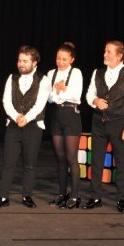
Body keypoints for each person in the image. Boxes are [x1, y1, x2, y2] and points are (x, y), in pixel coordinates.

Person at [83, 40, 124, 212]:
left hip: (119, 124)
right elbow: (89, 94)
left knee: (122, 163)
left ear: (119, 55)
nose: (105, 54)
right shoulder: (98, 72)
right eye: (105, 51)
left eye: (109, 52)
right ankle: (95, 197)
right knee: (96, 161)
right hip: (98, 123)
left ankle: (121, 199)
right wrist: (95, 101)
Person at [0, 45, 50, 209]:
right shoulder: (12, 78)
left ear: (34, 62)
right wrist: (16, 116)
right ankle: (3, 196)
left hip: (33, 126)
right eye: (19, 60)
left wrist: (27, 118)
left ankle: (27, 195)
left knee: (30, 164)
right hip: (14, 125)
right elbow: (6, 101)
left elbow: (40, 103)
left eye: (25, 61)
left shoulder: (43, 79)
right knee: (8, 163)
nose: (21, 64)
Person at [45, 42, 83, 209]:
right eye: (58, 58)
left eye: (64, 59)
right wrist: (57, 91)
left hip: (71, 115)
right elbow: (48, 98)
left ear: (72, 60)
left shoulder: (76, 73)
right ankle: (62, 194)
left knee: (71, 157)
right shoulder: (51, 73)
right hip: (56, 115)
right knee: (60, 157)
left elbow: (75, 95)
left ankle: (75, 195)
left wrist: (58, 91)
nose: (60, 62)